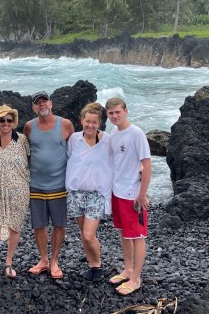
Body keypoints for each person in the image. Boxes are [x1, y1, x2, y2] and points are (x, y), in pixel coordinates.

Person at [23, 90, 74, 279]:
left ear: (51, 104)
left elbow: (77, 151)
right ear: (34, 107)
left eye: (45, 101)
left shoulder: (66, 124)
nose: (42, 105)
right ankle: (43, 260)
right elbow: (26, 153)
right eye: (38, 103)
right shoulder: (29, 127)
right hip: (36, 184)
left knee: (59, 225)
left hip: (59, 184)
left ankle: (54, 261)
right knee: (39, 225)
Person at [105, 97, 152, 296]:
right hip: (117, 191)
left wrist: (142, 194)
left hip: (133, 194)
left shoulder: (136, 133)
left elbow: (147, 164)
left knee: (137, 236)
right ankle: (128, 269)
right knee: (124, 233)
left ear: (126, 111)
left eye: (118, 112)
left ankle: (136, 279)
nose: (115, 116)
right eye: (111, 113)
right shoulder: (113, 134)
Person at [66, 102, 112, 283]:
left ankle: (97, 265)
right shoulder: (74, 140)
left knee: (88, 235)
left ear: (99, 123)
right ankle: (92, 262)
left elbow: (121, 158)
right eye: (87, 121)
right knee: (83, 232)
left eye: (94, 122)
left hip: (97, 194)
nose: (90, 125)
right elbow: (70, 160)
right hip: (76, 193)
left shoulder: (107, 140)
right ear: (81, 121)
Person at [0, 105, 30, 279]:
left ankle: (9, 261)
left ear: (14, 122)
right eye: (1, 120)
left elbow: (29, 161)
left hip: (19, 190)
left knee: (14, 226)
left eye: (9, 120)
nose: (5, 123)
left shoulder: (22, 140)